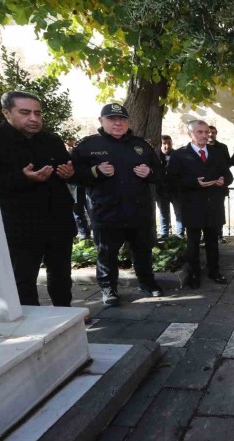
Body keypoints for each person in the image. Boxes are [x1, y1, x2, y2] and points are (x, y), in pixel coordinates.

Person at [0, 90, 76, 307]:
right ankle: (32, 321)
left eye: (38, 113)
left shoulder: (51, 140)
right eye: (25, 113)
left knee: (61, 276)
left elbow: (68, 170)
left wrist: (69, 173)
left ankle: (66, 314)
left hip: (58, 222)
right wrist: (22, 178)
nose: (33, 118)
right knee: (23, 279)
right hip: (19, 226)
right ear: (6, 113)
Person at [71, 103, 164, 306]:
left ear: (128, 122)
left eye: (122, 119)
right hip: (106, 211)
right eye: (112, 119)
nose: (117, 123)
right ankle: (109, 289)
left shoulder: (142, 145)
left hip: (138, 211)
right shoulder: (88, 146)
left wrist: (149, 173)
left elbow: (160, 174)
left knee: (143, 251)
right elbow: (73, 176)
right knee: (107, 254)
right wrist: (95, 171)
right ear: (101, 121)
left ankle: (147, 283)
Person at [169, 120, 233, 288]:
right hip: (193, 206)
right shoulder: (180, 155)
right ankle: (194, 274)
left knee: (213, 242)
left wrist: (223, 180)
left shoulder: (217, 152)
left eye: (206, 132)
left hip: (214, 205)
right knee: (193, 243)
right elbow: (171, 181)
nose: (205, 135)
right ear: (190, 134)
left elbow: (229, 176)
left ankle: (214, 271)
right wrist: (194, 183)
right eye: (200, 132)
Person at [155, 135, 184, 239]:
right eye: (164, 143)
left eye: (169, 143)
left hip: (176, 190)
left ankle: (180, 234)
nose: (167, 146)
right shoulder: (156, 156)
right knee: (163, 213)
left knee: (179, 212)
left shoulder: (178, 156)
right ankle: (164, 234)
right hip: (161, 190)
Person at [208, 125, 231, 244]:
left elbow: (227, 163)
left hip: (219, 185)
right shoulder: (201, 147)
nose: (211, 134)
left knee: (219, 211)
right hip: (205, 185)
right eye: (209, 132)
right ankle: (205, 236)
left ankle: (220, 235)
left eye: (213, 132)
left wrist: (222, 176)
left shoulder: (222, 147)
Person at [66, 137, 92, 240]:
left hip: (86, 187)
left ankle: (92, 232)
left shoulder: (88, 156)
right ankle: (85, 235)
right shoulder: (68, 156)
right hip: (74, 188)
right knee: (77, 212)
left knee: (92, 210)